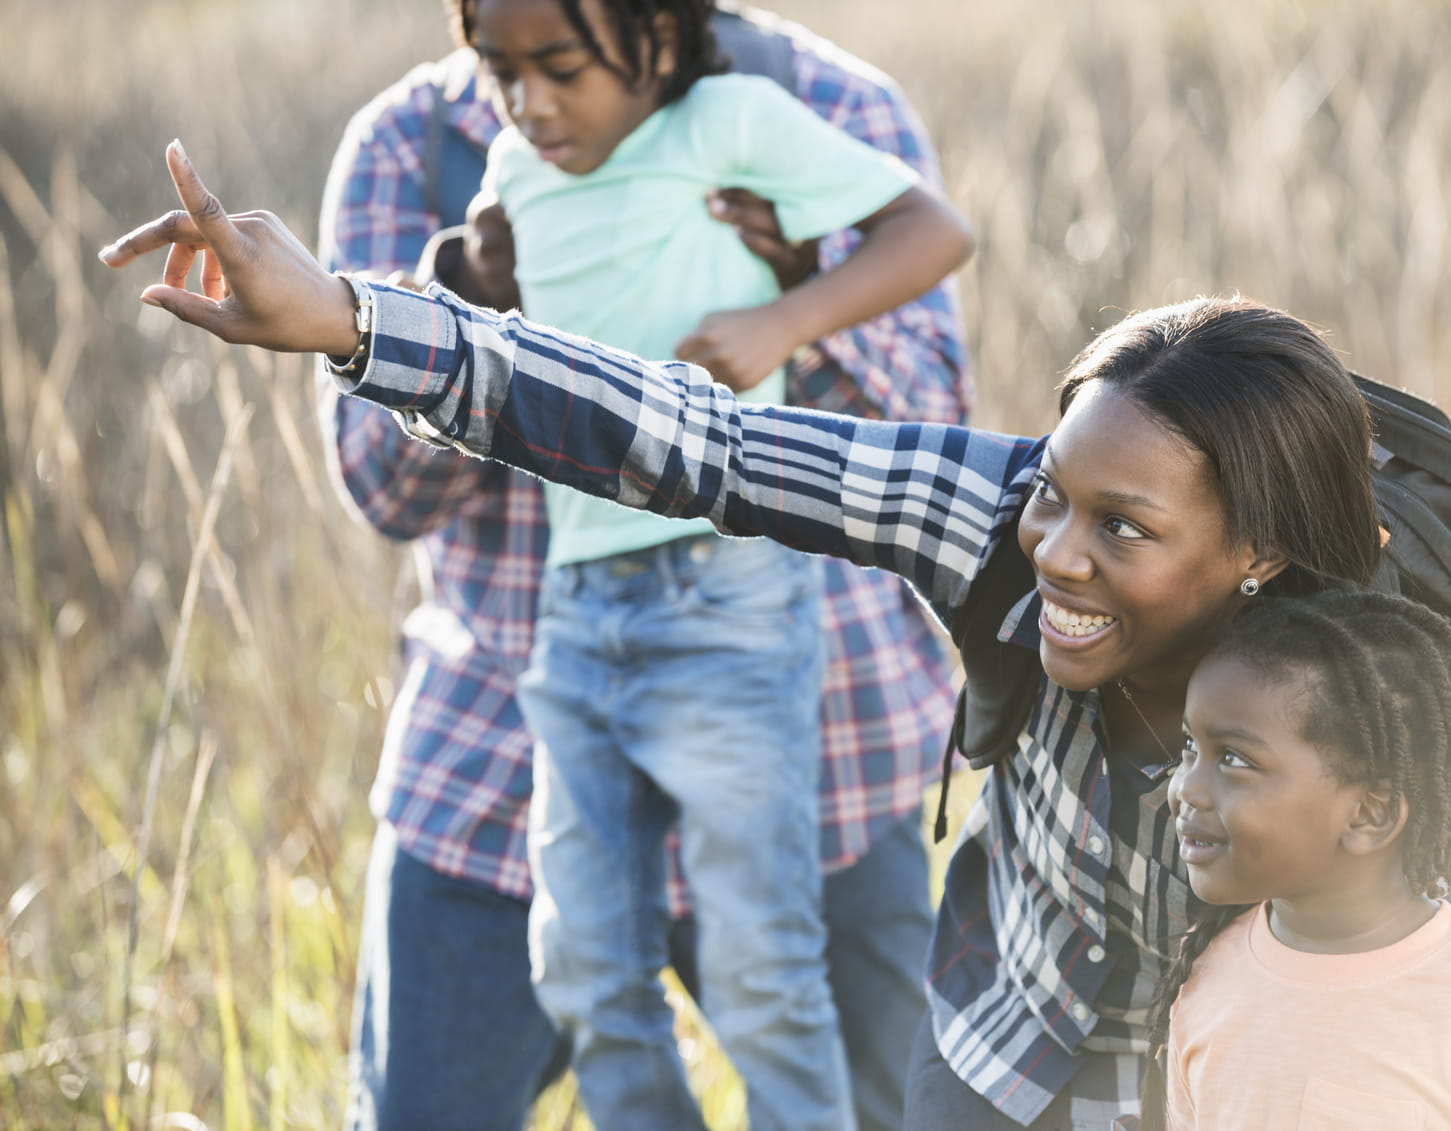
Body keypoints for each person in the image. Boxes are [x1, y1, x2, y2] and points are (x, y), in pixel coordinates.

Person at [108, 150, 1416, 1129]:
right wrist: (355, 321)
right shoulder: (991, 515)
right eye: (1055, 492)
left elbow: (1417, 988)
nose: (1055, 550)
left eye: (1121, 527)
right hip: (1009, 1055)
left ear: (1259, 552)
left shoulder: (1383, 686)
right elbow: (705, 442)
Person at [314, 5, 971, 1130]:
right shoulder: (420, 148)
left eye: (561, 65)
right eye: (501, 65)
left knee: (884, 1102)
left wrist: (797, 296)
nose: (528, 96)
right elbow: (380, 486)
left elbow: (930, 423)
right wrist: (474, 298)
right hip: (512, 741)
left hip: (818, 737)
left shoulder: (810, 108)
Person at [1147, 589, 1451, 1129]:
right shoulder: (1205, 977)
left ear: (1370, 814)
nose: (1185, 788)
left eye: (1234, 759)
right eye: (1190, 748)